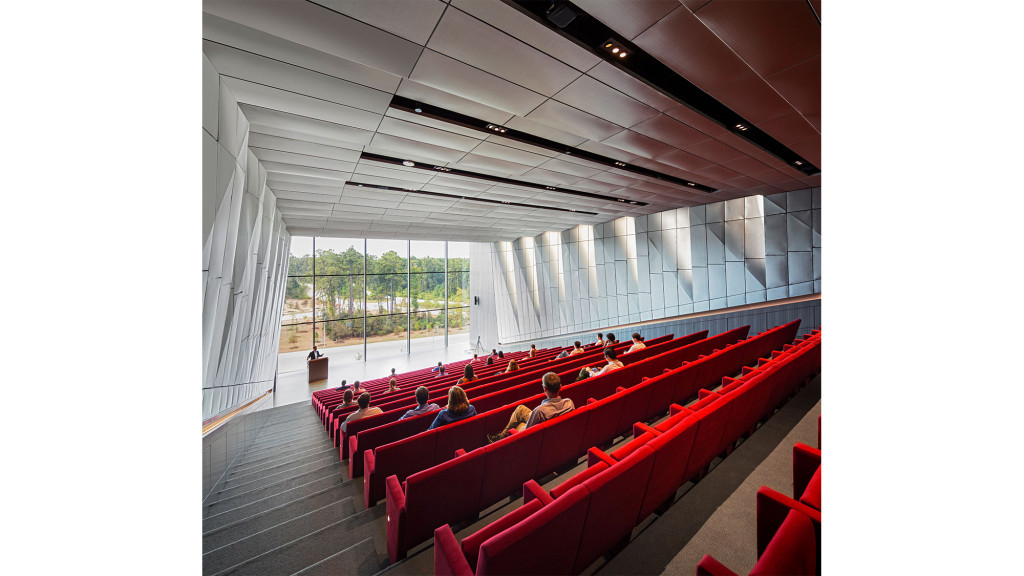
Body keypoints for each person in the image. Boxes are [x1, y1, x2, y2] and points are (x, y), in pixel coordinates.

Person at [487, 372, 574, 443]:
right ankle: (501, 436)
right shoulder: (569, 403)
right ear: (560, 386)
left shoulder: (540, 411)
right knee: (520, 409)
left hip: (542, 437)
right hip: (556, 430)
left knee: (519, 424)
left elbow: (528, 434)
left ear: (544, 389)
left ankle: (501, 439)